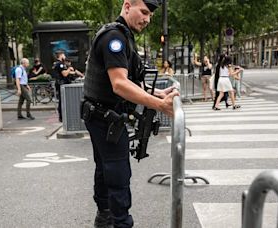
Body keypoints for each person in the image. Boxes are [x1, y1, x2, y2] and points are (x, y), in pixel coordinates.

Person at [82, 1, 179, 227]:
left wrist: (157, 92)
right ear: (127, 6)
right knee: (118, 173)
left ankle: (104, 215)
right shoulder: (114, 39)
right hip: (105, 117)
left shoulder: (121, 35)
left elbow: (131, 82)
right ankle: (120, 222)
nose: (147, 19)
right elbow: (119, 85)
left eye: (151, 16)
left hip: (100, 115)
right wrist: (159, 103)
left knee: (105, 168)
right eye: (143, 12)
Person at [52, 50, 74, 122]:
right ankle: (62, 117)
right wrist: (69, 69)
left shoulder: (58, 63)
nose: (64, 56)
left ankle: (62, 116)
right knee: (63, 101)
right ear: (61, 55)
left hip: (61, 83)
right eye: (63, 55)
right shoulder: (60, 64)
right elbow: (64, 74)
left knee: (63, 100)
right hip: (62, 84)